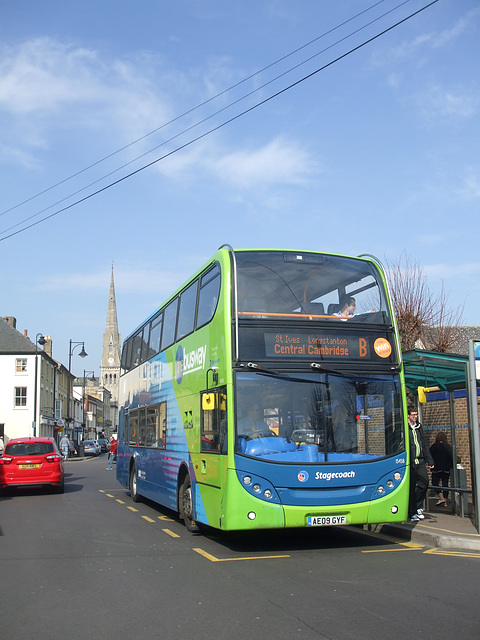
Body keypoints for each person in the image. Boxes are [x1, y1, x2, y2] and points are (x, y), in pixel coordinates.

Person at [408, 407, 434, 522]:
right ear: (408, 415)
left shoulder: (419, 427)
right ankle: (412, 511)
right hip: (411, 462)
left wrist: (430, 460)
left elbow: (424, 443)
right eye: (413, 415)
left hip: (421, 460)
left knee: (425, 482)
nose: (415, 417)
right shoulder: (405, 428)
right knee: (412, 487)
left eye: (416, 415)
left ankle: (418, 506)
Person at [429, 431, 453, 507]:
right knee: (445, 484)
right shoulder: (448, 447)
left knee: (435, 483)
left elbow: (429, 455)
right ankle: (445, 500)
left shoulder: (434, 447)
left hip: (437, 468)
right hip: (446, 469)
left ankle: (441, 497)